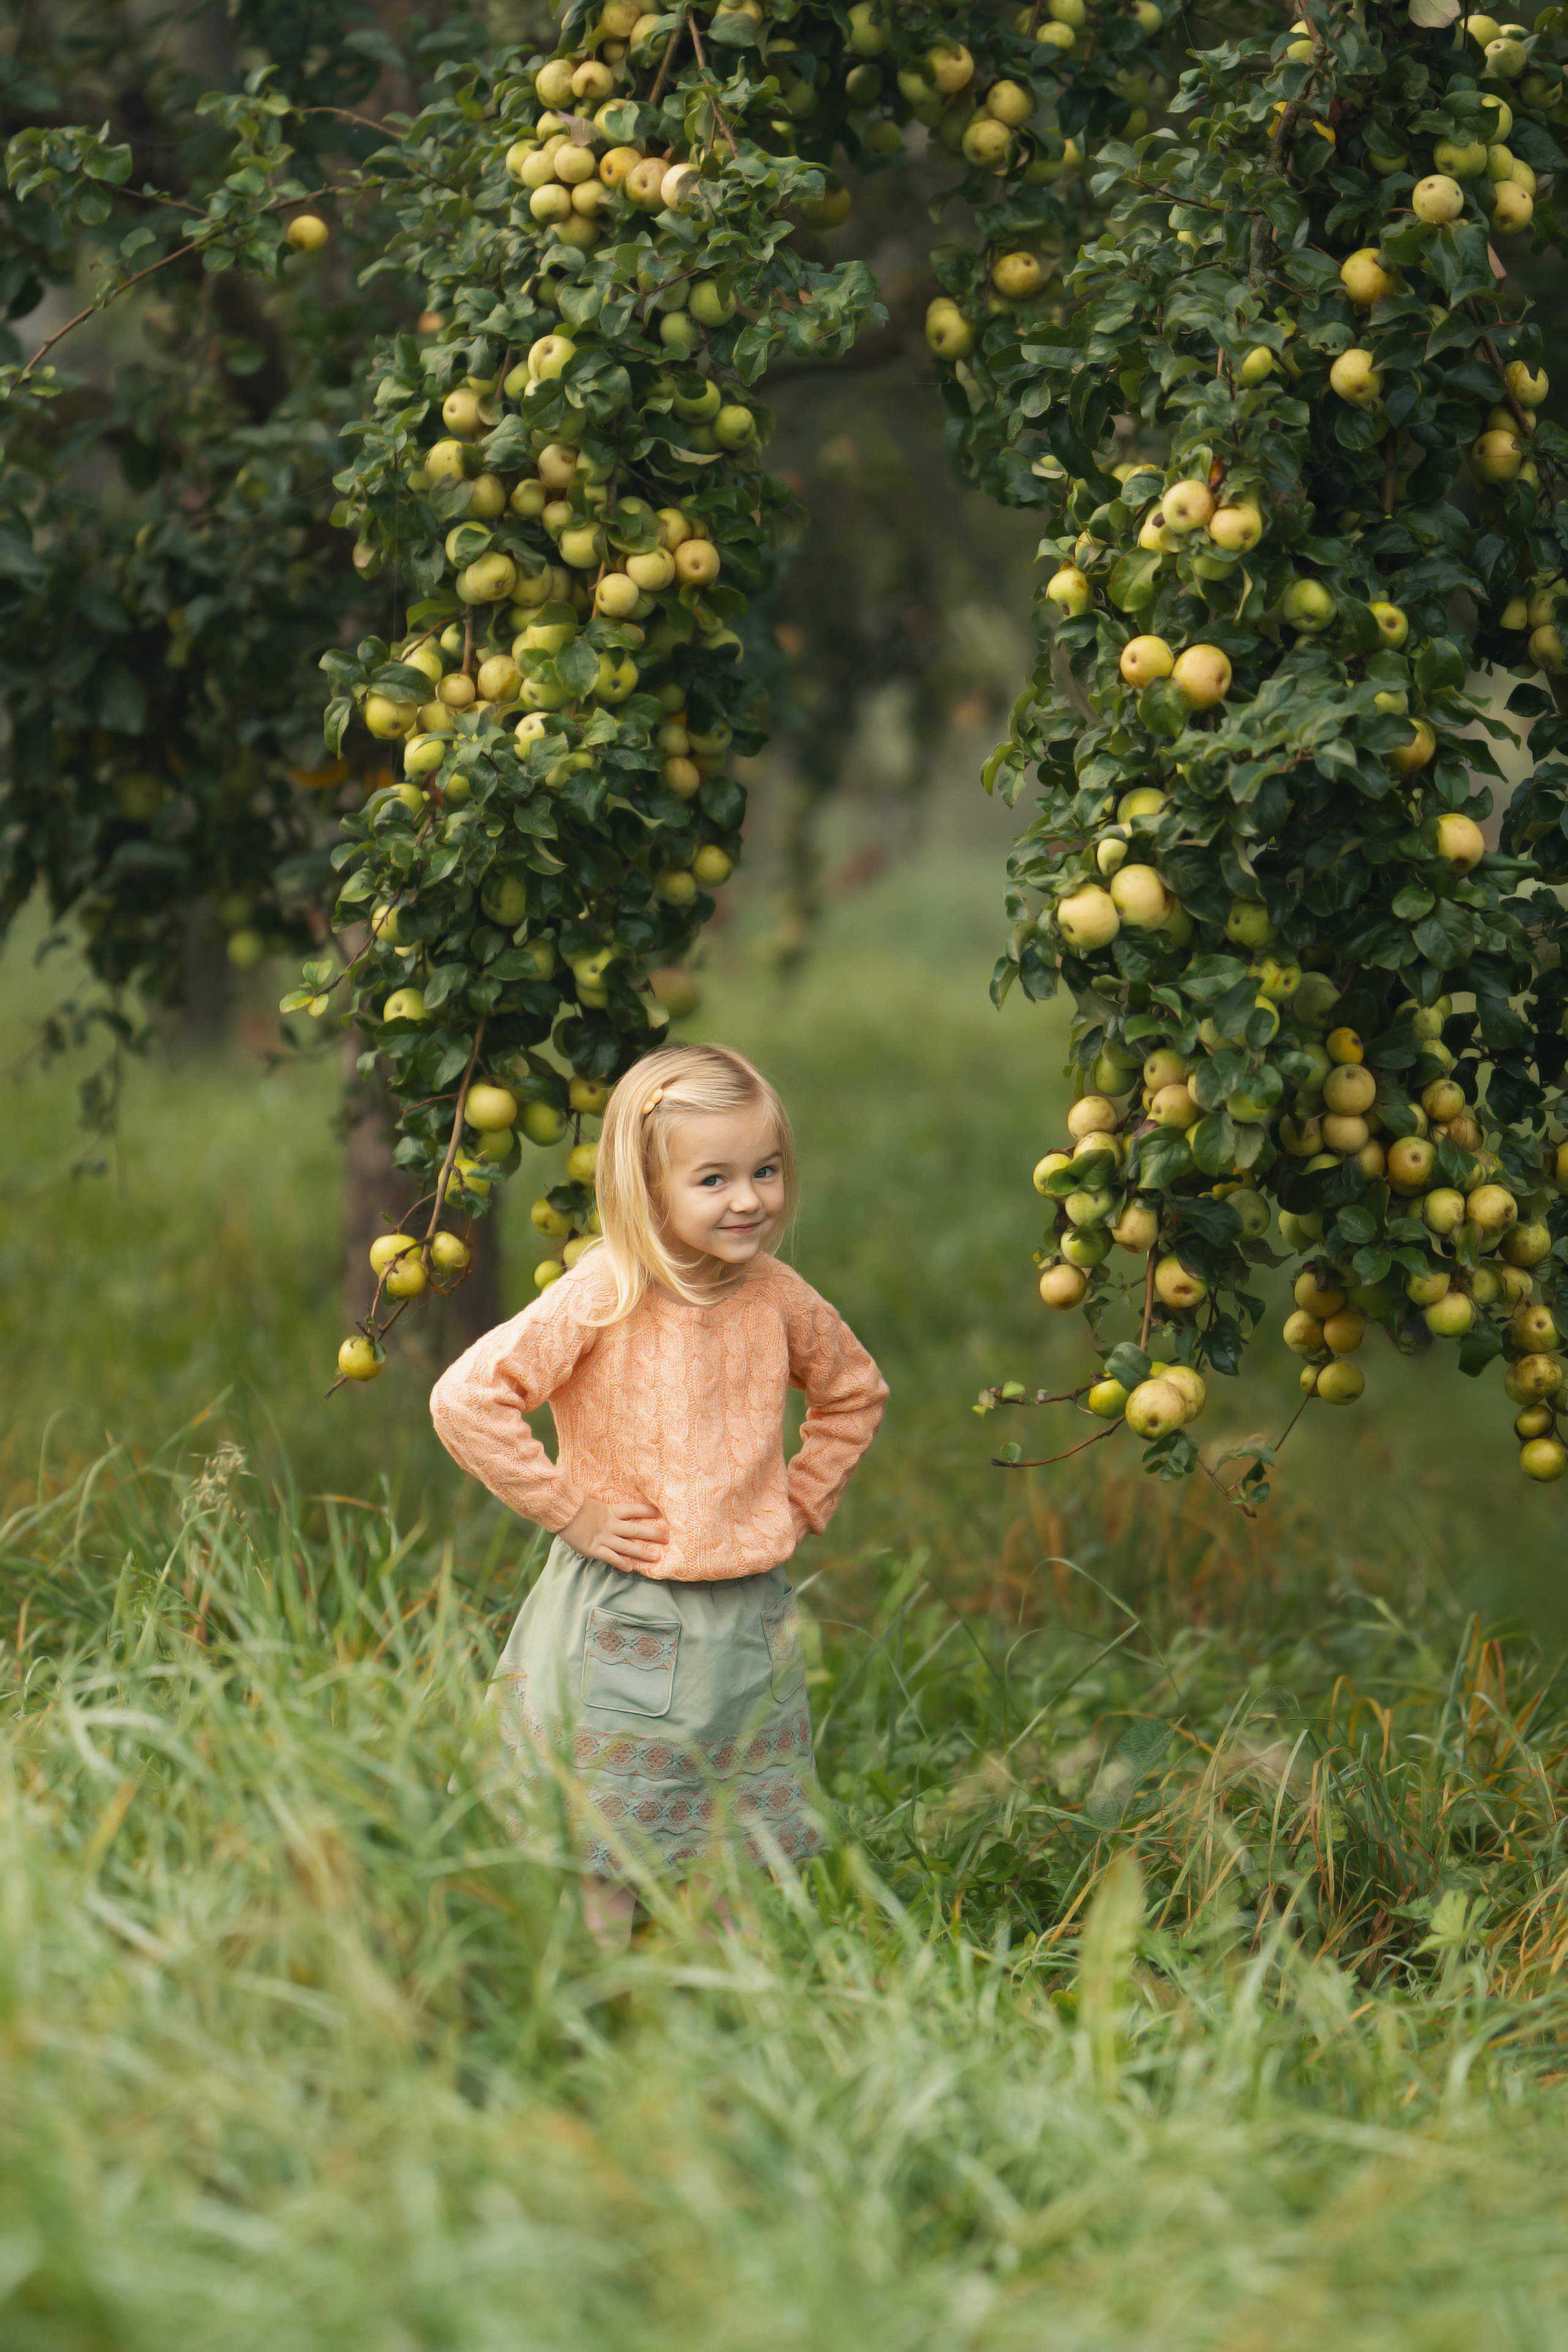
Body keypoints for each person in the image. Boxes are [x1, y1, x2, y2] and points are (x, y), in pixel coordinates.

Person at [429, 1041, 888, 1946]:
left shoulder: (778, 1297)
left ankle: (723, 2016)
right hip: (623, 1608)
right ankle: (590, 2013)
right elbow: (466, 1398)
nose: (750, 1198)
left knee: (729, 1848)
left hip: (745, 1616)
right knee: (603, 1847)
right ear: (646, 1186)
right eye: (713, 1178)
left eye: (765, 1170)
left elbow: (853, 1391)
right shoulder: (604, 1294)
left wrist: (797, 1503)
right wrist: (572, 1509)